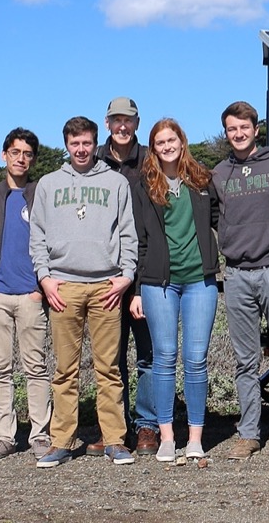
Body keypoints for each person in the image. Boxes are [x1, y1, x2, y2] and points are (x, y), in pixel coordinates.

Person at [29, 117, 137, 468]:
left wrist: (126, 276)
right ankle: (61, 440)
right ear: (66, 145)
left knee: (109, 369)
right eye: (75, 144)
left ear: (96, 143)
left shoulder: (116, 182)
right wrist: (45, 278)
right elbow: (38, 236)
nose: (81, 150)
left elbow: (127, 233)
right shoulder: (48, 184)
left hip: (107, 286)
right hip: (63, 286)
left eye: (87, 143)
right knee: (64, 370)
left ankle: (115, 440)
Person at [129, 119, 220, 462]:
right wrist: (138, 289)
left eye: (171, 139)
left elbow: (221, 220)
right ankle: (166, 437)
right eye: (159, 142)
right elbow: (139, 240)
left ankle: (195, 436)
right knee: (164, 358)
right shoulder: (144, 185)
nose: (166, 146)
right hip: (158, 283)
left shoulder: (202, 180)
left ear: (182, 142)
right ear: (153, 148)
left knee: (196, 360)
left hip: (200, 280)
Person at [209, 100, 269, 459]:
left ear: (255, 129)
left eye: (244, 127)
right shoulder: (218, 173)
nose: (238, 134)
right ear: (226, 133)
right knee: (245, 360)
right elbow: (213, 215)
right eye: (232, 129)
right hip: (237, 274)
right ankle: (249, 432)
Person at [0, 127, 52, 462]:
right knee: (0, 367)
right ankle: (4, 436)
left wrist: (39, 289)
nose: (21, 159)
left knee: (36, 367)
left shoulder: (41, 194)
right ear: (4, 155)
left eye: (28, 154)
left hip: (32, 295)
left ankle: (40, 435)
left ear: (33, 159)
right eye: (15, 152)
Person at [95, 96, 158, 456]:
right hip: (105, 276)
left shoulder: (151, 160)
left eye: (128, 120)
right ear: (107, 123)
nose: (122, 126)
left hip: (145, 274)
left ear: (136, 123)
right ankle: (113, 428)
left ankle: (147, 426)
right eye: (116, 120)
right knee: (110, 358)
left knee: (148, 356)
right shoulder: (94, 162)